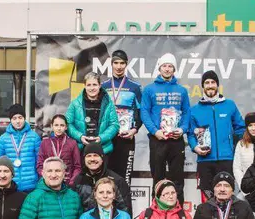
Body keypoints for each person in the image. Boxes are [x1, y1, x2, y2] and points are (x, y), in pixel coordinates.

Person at [141, 52, 191, 204]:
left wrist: (182, 130)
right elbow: (144, 112)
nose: (167, 69)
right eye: (164, 66)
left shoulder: (182, 90)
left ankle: (179, 212)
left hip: (176, 140)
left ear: (174, 69)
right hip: (158, 140)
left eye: (170, 66)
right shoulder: (149, 89)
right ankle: (156, 211)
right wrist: (155, 131)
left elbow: (187, 112)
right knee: (158, 178)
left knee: (177, 179)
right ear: (159, 68)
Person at [187, 70, 246, 197]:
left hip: (227, 159)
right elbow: (191, 134)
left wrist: (234, 147)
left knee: (227, 195)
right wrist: (195, 147)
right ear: (202, 86)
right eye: (206, 82)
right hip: (205, 160)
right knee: (207, 197)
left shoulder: (229, 105)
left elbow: (240, 128)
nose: (210, 85)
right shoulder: (194, 110)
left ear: (217, 85)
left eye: (212, 82)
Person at [102, 49, 143, 186]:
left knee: (125, 179)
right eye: (116, 63)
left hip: (126, 138)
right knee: (106, 177)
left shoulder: (135, 87)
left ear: (126, 65)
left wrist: (134, 130)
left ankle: (125, 208)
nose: (119, 66)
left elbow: (141, 113)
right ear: (111, 64)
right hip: (108, 138)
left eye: (122, 63)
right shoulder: (104, 86)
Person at [72, 142, 132, 215]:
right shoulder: (79, 180)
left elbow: (125, 211)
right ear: (84, 159)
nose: (92, 159)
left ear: (102, 158)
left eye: (96, 155)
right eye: (89, 156)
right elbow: (74, 209)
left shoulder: (117, 180)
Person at [67, 72, 120, 155]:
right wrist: (80, 137)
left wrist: (101, 138)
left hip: (103, 149)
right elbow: (68, 124)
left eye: (94, 84)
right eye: (89, 85)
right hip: (80, 149)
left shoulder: (109, 104)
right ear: (84, 86)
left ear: (100, 85)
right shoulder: (74, 104)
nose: (92, 88)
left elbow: (115, 125)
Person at [0, 103, 41, 192]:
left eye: (20, 117)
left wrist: (39, 181)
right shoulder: (3, 139)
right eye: (14, 118)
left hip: (31, 185)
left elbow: (39, 161)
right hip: (10, 185)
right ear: (10, 120)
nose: (18, 121)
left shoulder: (34, 137)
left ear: (24, 118)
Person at [36, 114, 81, 185]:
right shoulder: (45, 143)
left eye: (62, 125)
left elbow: (77, 166)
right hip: (49, 182)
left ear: (66, 127)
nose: (59, 128)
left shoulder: (72, 143)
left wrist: (71, 181)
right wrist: (46, 178)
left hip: (66, 183)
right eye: (56, 125)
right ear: (52, 126)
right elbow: (40, 165)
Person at [232, 112, 255, 189]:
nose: (253, 128)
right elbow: (237, 168)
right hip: (247, 187)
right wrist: (243, 186)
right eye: (250, 125)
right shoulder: (241, 144)